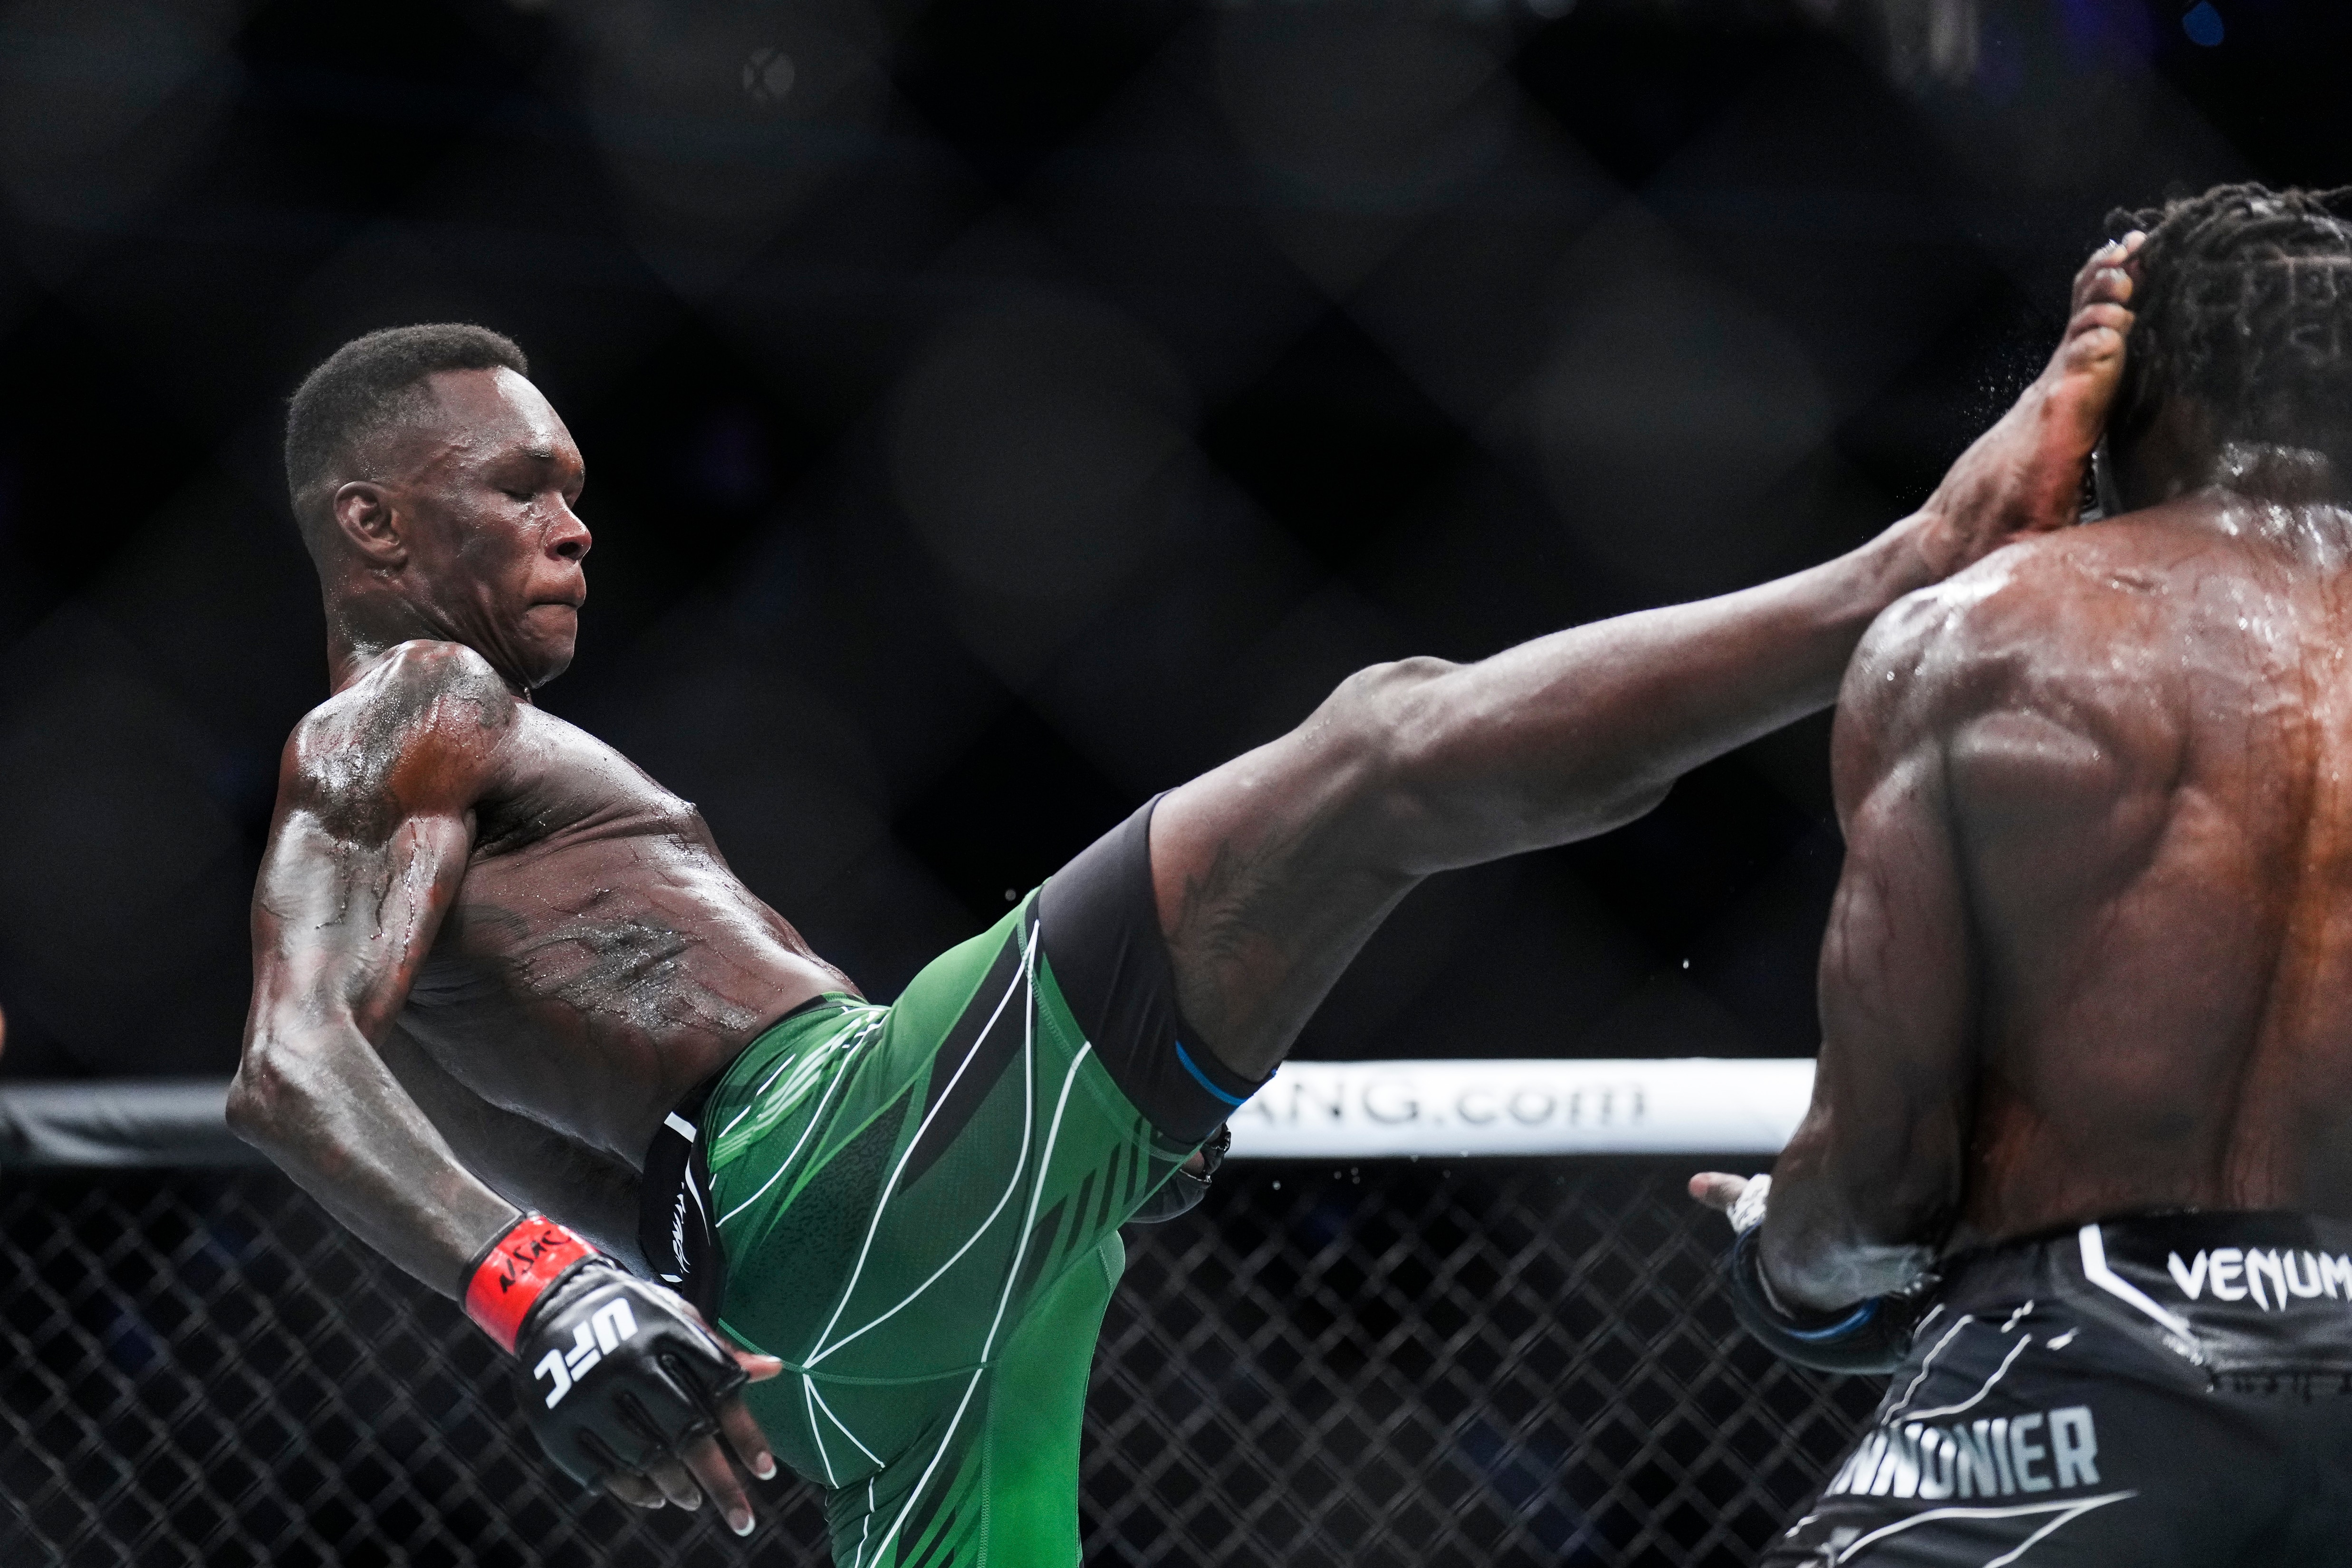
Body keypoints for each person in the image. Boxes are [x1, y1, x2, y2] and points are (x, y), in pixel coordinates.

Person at [227, 228, 2128, 1564]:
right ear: (372, 524)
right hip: (839, 1160)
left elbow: (488, 1092)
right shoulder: (412, 703)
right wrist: (550, 1294)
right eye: (517, 488)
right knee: (1379, 751)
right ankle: (1909, 568)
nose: (573, 521)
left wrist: (622, 1296)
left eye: (572, 483)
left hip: (823, 1311)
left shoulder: (436, 792)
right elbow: (292, 1066)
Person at [1692, 184, 2352, 1566]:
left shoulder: (1987, 638)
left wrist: (1780, 1256)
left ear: (2118, 403)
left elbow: (1878, 1183)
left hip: (2093, 1360)